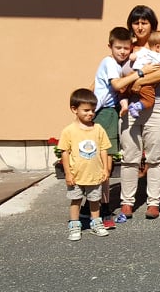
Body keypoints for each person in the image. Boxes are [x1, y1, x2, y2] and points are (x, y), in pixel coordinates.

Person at [119, 5, 160, 220]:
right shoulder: (127, 48)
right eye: (136, 22)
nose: (140, 26)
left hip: (158, 106)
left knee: (156, 156)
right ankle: (127, 201)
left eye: (145, 22)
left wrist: (138, 80)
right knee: (129, 156)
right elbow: (114, 75)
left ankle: (153, 201)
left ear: (152, 25)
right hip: (131, 106)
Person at [92, 26, 133, 228]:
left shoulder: (117, 64)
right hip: (104, 114)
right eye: (119, 48)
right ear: (110, 46)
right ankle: (101, 208)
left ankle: (97, 205)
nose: (123, 52)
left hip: (110, 112)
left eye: (126, 48)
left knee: (106, 162)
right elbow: (117, 86)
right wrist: (140, 73)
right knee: (104, 163)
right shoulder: (109, 62)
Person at [59, 88, 111, 240]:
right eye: (86, 110)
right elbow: (65, 152)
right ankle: (75, 225)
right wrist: (68, 173)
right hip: (76, 175)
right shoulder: (69, 131)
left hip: (95, 174)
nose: (90, 113)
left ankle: (96, 223)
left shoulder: (98, 129)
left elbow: (103, 149)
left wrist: (105, 169)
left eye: (93, 110)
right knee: (76, 200)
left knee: (94, 200)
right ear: (74, 109)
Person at [123, 30, 160, 118]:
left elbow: (132, 57)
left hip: (134, 74)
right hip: (147, 84)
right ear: (157, 47)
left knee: (123, 89)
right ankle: (136, 107)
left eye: (144, 23)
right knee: (149, 100)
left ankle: (124, 103)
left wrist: (138, 82)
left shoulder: (143, 51)